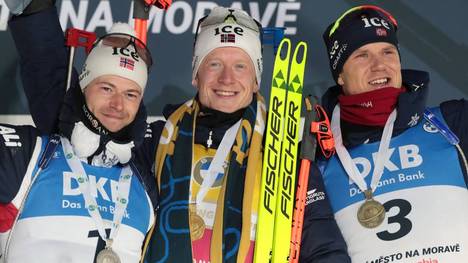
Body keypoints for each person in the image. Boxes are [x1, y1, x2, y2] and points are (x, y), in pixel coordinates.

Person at [5, 1, 351, 262]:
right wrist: (34, 11)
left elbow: (322, 244)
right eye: (214, 63)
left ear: (256, 78)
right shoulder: (154, 141)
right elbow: (72, 117)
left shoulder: (283, 150)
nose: (227, 79)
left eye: (240, 66)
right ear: (195, 74)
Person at [0, 3, 160, 263]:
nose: (118, 105)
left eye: (130, 94)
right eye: (106, 88)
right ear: (83, 88)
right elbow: (48, 72)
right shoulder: (27, 156)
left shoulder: (145, 182)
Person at [319, 5, 468, 262]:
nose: (379, 65)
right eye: (362, 55)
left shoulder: (454, 121)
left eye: (388, 51)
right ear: (340, 75)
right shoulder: (318, 151)